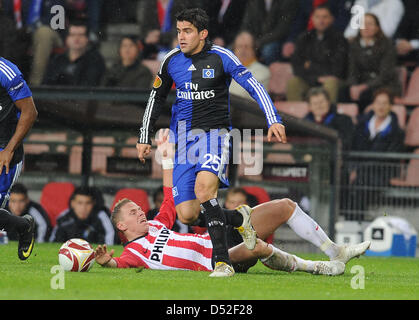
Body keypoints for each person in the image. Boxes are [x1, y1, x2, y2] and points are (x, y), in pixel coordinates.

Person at [136, 8, 287, 277]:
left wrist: (273, 119)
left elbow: (255, 86)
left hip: (213, 137)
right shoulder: (171, 60)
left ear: (203, 34)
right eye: (179, 31)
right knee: (187, 215)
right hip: (182, 140)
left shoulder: (222, 57)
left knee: (205, 190)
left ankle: (222, 262)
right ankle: (240, 218)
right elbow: (156, 98)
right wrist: (144, 136)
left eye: (188, 31)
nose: (181, 37)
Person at [95, 129, 370, 275]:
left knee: (285, 205)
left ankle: (336, 252)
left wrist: (167, 156)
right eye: (133, 212)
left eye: (138, 208)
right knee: (258, 246)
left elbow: (170, 196)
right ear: (121, 224)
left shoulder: (156, 225)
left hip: (218, 236)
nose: (141, 212)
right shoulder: (133, 253)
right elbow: (118, 265)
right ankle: (316, 268)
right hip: (212, 260)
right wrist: (106, 262)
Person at [0, 56, 38, 260]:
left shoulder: (6, 71)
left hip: (4, 152)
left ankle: (24, 227)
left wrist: (8, 149)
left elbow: (30, 112)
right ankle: (23, 225)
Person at [346, 88, 405, 220]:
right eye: (378, 102)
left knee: (361, 183)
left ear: (391, 106)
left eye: (385, 103)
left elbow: (390, 158)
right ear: (373, 105)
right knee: (343, 177)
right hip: (359, 171)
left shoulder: (397, 132)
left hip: (381, 172)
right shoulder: (361, 126)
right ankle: (347, 223)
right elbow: (353, 149)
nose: (381, 106)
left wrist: (359, 169)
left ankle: (354, 222)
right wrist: (353, 169)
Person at [339, 13, 401, 113]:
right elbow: (352, 70)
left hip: (383, 84)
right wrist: (353, 86)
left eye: (370, 24)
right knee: (343, 92)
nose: (366, 27)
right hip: (360, 84)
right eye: (363, 24)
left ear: (377, 27)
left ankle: (365, 122)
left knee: (366, 94)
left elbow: (385, 75)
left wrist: (363, 87)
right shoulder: (354, 45)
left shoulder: (387, 45)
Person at [286, 5, 348, 103]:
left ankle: (328, 116)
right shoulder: (304, 37)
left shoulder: (339, 39)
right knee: (294, 83)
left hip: (330, 80)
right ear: (312, 19)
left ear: (332, 19)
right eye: (317, 17)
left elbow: (338, 68)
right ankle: (293, 118)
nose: (321, 20)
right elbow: (297, 66)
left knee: (331, 82)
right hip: (311, 79)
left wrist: (310, 66)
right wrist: (316, 78)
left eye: (324, 17)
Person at [42, 20, 106, 86]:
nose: (76, 38)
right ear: (67, 39)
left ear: (87, 39)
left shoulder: (95, 60)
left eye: (81, 35)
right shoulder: (57, 60)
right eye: (72, 35)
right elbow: (47, 84)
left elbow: (90, 85)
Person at [49, 186, 116, 244]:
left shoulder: (102, 217)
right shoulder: (64, 218)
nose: (83, 208)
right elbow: (53, 243)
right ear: (73, 203)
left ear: (93, 204)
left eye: (88, 203)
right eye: (79, 203)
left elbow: (110, 242)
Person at [239, 0, 299, 64]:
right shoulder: (254, 1)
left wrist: (258, 42)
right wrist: (246, 40)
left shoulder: (288, 2)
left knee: (268, 51)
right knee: (232, 49)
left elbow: (282, 30)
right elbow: (246, 24)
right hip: (256, 39)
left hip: (277, 40)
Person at [305, 87, 355, 151]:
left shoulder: (344, 120)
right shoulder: (303, 123)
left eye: (322, 102)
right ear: (309, 107)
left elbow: (346, 144)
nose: (319, 106)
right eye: (315, 103)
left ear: (328, 102)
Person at [229, 31, 270, 101]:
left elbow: (241, 94)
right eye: (239, 46)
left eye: (247, 47)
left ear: (254, 50)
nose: (243, 50)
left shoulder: (262, 71)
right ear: (234, 49)